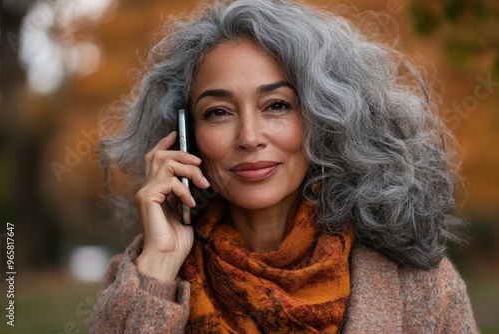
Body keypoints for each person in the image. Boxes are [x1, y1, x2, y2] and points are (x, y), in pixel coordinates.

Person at [89, 0, 478, 332]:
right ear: (185, 135)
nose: (250, 136)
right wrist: (160, 263)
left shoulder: (422, 288)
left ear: (327, 119)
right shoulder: (141, 281)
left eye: (277, 105)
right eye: (218, 112)